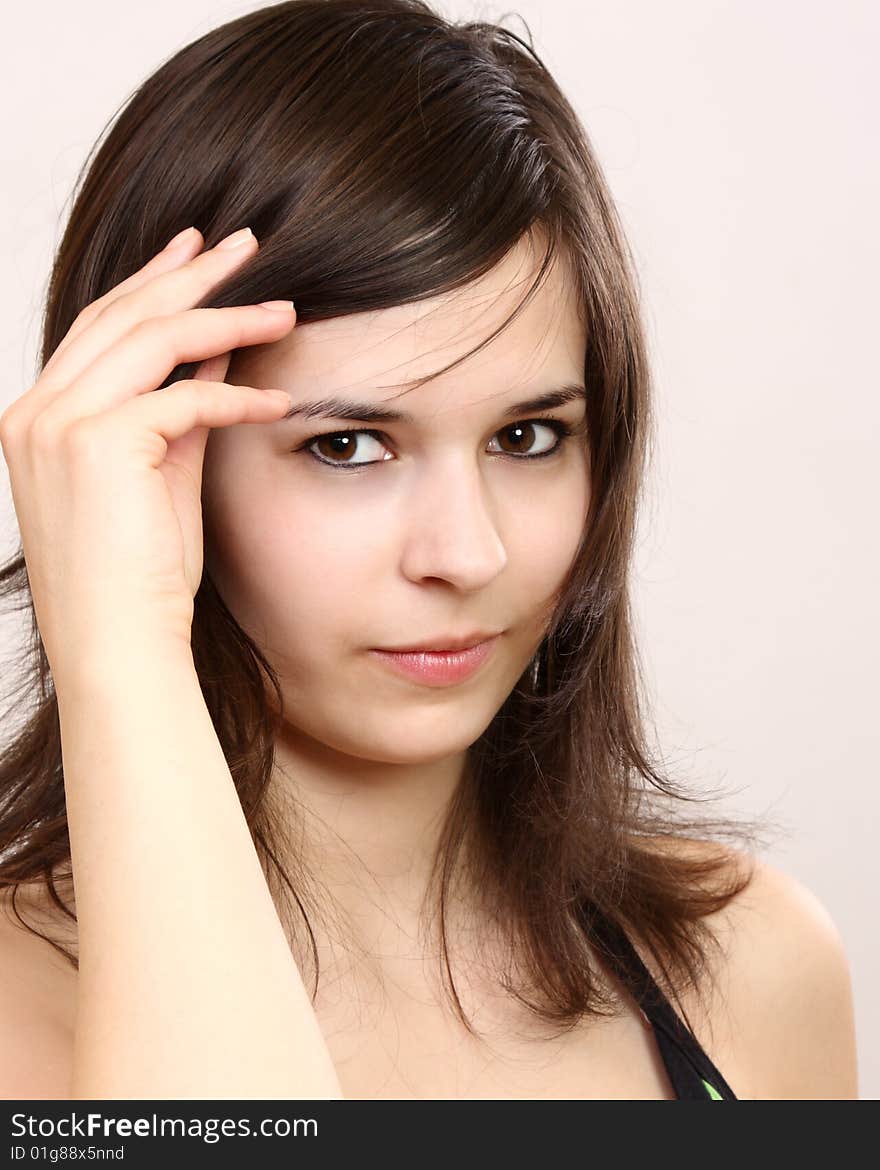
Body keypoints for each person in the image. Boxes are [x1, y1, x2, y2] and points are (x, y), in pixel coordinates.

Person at [0, 0, 857, 1100]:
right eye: (348, 445)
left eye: (527, 437)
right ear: (155, 454)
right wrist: (117, 644)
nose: (467, 552)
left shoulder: (750, 968)